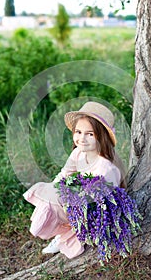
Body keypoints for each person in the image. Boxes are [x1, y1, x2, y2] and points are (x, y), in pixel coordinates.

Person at [23, 101, 126, 259]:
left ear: (101, 137)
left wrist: (68, 200)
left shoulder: (105, 167)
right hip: (80, 198)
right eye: (78, 132)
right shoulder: (78, 153)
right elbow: (65, 173)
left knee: (58, 205)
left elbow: (100, 198)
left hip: (99, 207)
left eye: (90, 134)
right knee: (46, 193)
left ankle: (81, 231)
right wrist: (54, 189)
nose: (82, 139)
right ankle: (63, 230)